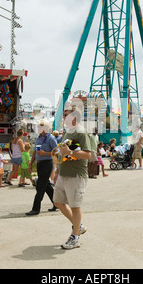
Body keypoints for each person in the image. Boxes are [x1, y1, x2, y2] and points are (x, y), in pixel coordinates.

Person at [53, 103, 92, 249]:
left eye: (66, 114)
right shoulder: (68, 131)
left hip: (76, 174)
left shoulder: (81, 132)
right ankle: (78, 226)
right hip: (64, 173)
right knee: (58, 202)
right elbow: (63, 152)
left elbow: (88, 154)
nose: (63, 116)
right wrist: (57, 170)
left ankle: (75, 237)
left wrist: (70, 152)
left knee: (75, 206)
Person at [26, 119, 58, 216]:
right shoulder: (38, 138)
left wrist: (46, 153)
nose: (39, 128)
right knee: (46, 185)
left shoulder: (51, 138)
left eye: (41, 127)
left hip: (47, 163)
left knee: (40, 186)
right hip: (40, 163)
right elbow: (36, 151)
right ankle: (57, 203)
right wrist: (31, 163)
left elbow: (57, 151)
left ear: (46, 128)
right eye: (39, 127)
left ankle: (36, 208)